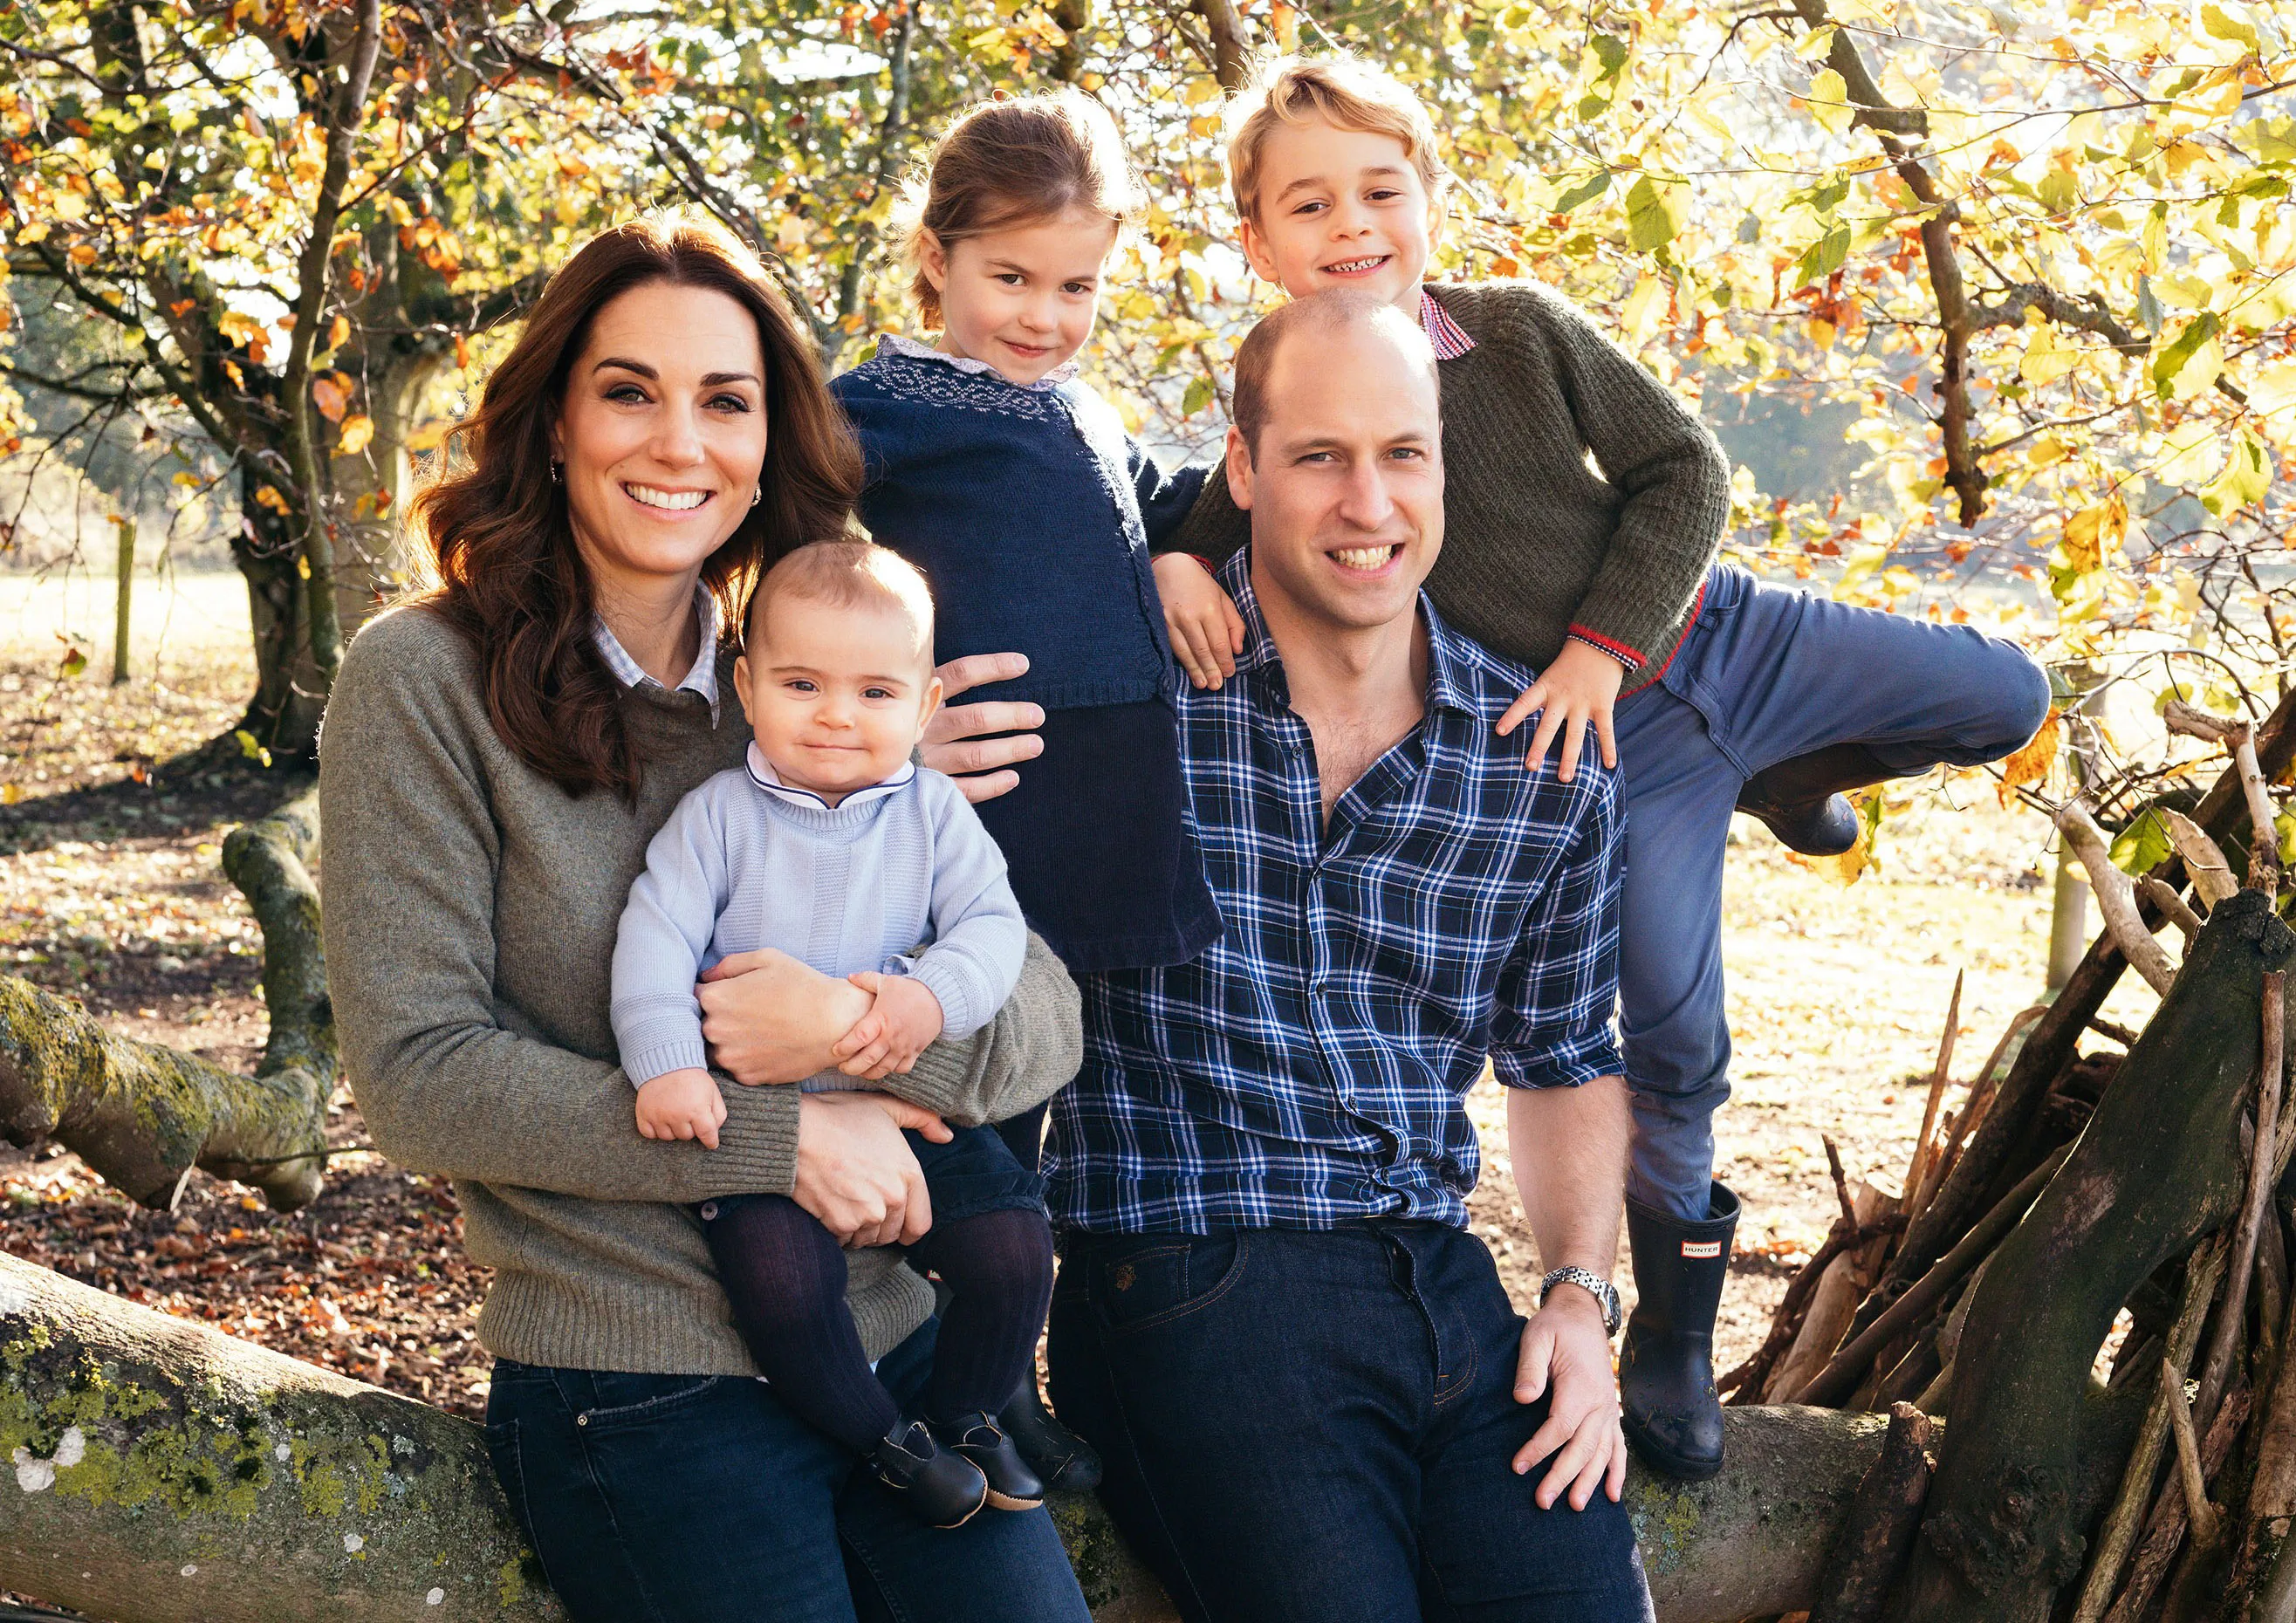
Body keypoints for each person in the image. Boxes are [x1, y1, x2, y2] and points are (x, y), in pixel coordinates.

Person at [1145, 53, 2051, 1480]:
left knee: (2006, 692)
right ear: (1257, 241)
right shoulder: (1288, 409)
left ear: (1430, 199)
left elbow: (1683, 470)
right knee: (1674, 1033)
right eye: (1307, 205)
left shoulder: (1516, 333)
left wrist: (1597, 645)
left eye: (1381, 190)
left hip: (1717, 640)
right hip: (1618, 762)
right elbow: (1212, 529)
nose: (1352, 225)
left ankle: (1792, 769)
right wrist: (1165, 570)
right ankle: (1675, 1343)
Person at [320, 212, 1093, 1623]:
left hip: (897, 1346)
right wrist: (787, 1137)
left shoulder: (812, 683)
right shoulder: (420, 682)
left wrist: (859, 1030)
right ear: (553, 422)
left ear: (767, 441)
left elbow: (1042, 1012)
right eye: (629, 391)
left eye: (724, 402)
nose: (679, 443)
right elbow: (422, 1081)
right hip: (639, 1373)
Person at [1045, 291, 1655, 1622]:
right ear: (1245, 469)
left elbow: (1558, 1057)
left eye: (1400, 454)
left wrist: (1573, 1299)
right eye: (1318, 457)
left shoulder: (1537, 761)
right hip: (1187, 1266)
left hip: (1440, 1281)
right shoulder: (1122, 703)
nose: (1365, 502)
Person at [829, 89, 1217, 1484]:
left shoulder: (1083, 407)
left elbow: (1161, 499)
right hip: (991, 813)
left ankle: (1014, 1373)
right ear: (935, 259)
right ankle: (960, 1379)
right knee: (972, 1101)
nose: (1045, 315)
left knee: (1050, 1110)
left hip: (1107, 811)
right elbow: (781, 553)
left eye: (1076, 286)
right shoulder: (881, 409)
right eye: (1010, 278)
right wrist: (876, 714)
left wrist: (1173, 552)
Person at [611, 539, 1050, 1528]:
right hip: (760, 1122)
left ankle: (969, 1412)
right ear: (747, 684)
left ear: (926, 705)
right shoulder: (717, 817)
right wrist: (669, 1067)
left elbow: (992, 930)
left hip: (898, 1107)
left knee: (1014, 1244)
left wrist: (924, 1002)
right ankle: (882, 1441)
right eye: (801, 683)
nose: (837, 716)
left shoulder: (934, 815)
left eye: (875, 692)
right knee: (782, 1283)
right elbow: (653, 941)